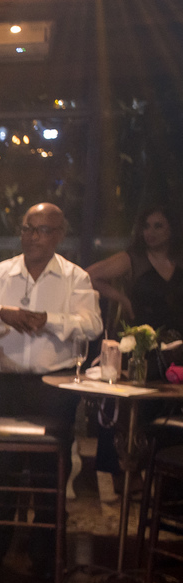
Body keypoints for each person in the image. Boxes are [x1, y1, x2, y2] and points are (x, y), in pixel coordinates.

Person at [0, 203, 102, 576]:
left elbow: (92, 324)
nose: (32, 237)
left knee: (49, 473)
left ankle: (46, 558)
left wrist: (50, 321)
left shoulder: (74, 277)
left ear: (59, 236)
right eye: (27, 228)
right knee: (0, 471)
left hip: (53, 387)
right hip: (4, 384)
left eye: (42, 230)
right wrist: (2, 314)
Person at [87, 206, 182, 500]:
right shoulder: (132, 259)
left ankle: (164, 475)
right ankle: (125, 471)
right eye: (146, 226)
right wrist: (121, 298)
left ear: (172, 229)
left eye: (158, 226)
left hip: (176, 345)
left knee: (168, 408)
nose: (150, 233)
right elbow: (89, 275)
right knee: (132, 408)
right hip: (139, 343)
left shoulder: (179, 260)